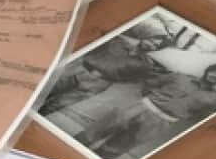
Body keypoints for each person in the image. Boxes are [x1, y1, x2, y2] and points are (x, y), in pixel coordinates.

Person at [82, 63, 216, 159]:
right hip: (140, 107)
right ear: (210, 70)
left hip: (160, 122)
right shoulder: (180, 76)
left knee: (117, 147)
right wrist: (148, 99)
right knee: (96, 130)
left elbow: (200, 116)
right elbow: (151, 83)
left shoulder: (214, 98)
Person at [39, 33, 172, 115]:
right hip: (79, 69)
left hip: (97, 84)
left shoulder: (144, 65)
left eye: (156, 46)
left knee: (57, 105)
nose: (151, 45)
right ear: (147, 37)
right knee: (43, 93)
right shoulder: (117, 40)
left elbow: (129, 80)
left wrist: (106, 75)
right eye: (153, 40)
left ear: (157, 50)